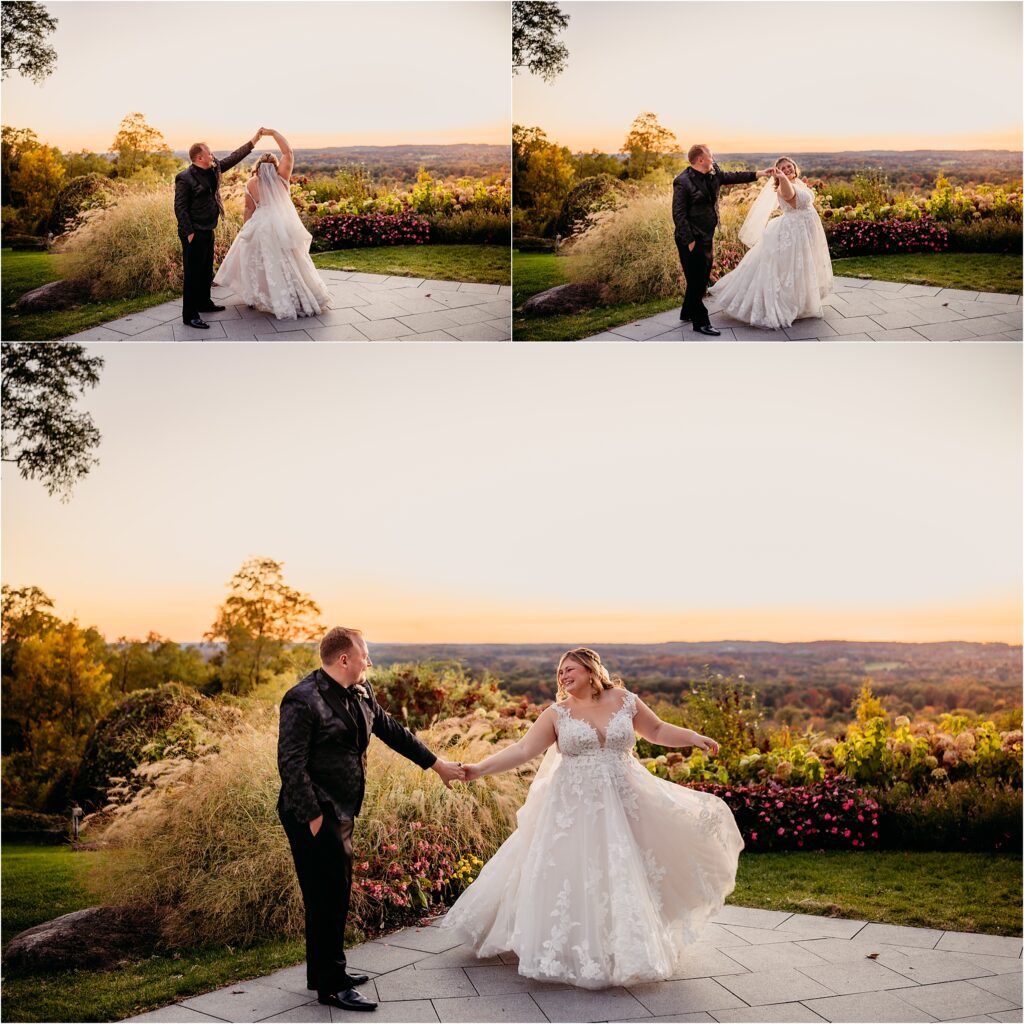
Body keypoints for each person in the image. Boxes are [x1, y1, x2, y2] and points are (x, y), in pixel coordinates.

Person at [441, 648, 743, 989]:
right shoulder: (557, 714)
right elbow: (523, 750)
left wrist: (692, 738)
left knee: (630, 869)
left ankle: (624, 945)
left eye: (569, 669)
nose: (563, 676)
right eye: (560, 672)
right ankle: (576, 947)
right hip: (573, 807)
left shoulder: (625, 700)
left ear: (590, 670)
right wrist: (478, 769)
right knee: (577, 873)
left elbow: (657, 730)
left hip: (627, 798)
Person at [276, 627, 465, 1012]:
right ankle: (332, 985)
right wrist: (313, 818)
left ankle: (322, 972)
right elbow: (290, 764)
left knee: (330, 893)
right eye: (365, 655)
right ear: (344, 659)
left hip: (343, 809)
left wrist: (437, 765)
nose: (369, 661)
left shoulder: (362, 692)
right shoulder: (301, 699)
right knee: (329, 895)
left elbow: (393, 731)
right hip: (314, 813)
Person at [213, 128, 331, 320]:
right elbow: (288, 152)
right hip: (283, 225)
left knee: (260, 262)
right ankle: (294, 294)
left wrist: (246, 229)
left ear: (258, 166)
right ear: (276, 166)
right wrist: (272, 133)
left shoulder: (252, 183)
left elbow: (249, 209)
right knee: (290, 260)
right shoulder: (282, 178)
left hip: (260, 225)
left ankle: (261, 296)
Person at [706, 156, 834, 330]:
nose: (788, 169)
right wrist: (781, 177)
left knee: (802, 266)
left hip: (806, 230)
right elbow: (793, 199)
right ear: (778, 173)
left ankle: (802, 301)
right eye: (783, 168)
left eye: (789, 166)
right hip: (793, 232)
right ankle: (783, 303)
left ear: (795, 167)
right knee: (789, 269)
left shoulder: (798, 182)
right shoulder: (783, 187)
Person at [673, 145, 773, 336]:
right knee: (696, 280)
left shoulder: (714, 173)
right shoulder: (682, 181)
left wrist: (760, 173)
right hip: (691, 239)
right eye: (711, 155)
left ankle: (687, 311)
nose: (714, 158)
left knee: (700, 277)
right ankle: (700, 322)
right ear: (701, 159)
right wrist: (690, 240)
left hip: (707, 235)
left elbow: (733, 176)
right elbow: (678, 214)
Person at [173, 130, 262, 329]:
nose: (213, 156)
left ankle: (204, 303)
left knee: (205, 270)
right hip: (193, 232)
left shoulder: (214, 169)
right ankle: (190, 315)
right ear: (199, 157)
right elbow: (180, 208)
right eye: (210, 153)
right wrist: (189, 233)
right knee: (192, 275)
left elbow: (234, 157)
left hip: (209, 227)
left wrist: (253, 141)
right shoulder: (184, 178)